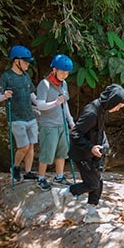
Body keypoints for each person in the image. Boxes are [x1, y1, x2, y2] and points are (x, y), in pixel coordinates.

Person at [51, 84, 124, 223]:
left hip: (92, 153)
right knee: (92, 184)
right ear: (112, 101)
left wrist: (104, 144)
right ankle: (62, 193)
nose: (117, 109)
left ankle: (91, 213)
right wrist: (91, 147)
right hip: (82, 154)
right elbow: (75, 134)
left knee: (98, 182)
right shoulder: (92, 112)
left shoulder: (102, 109)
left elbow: (99, 130)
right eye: (118, 106)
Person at [0, 45, 39, 183]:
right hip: (16, 118)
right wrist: (5, 96)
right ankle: (15, 168)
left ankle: (28, 172)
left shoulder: (26, 76)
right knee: (23, 146)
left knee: (31, 145)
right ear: (16, 61)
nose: (27, 64)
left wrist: (44, 104)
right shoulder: (7, 76)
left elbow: (32, 96)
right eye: (25, 61)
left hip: (30, 116)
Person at [33, 54, 76, 191]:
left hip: (61, 124)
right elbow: (40, 105)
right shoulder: (44, 84)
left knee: (62, 152)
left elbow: (65, 104)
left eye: (67, 72)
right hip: (49, 125)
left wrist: (70, 121)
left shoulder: (64, 84)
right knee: (47, 153)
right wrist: (55, 102)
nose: (65, 75)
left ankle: (59, 176)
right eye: (62, 72)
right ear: (54, 70)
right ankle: (41, 178)